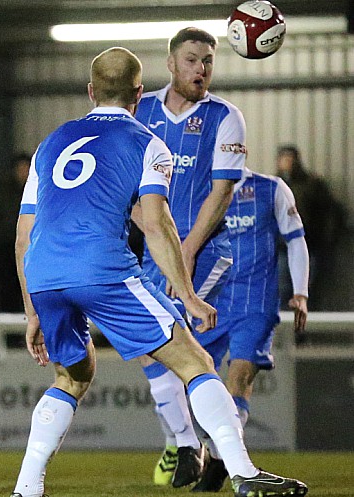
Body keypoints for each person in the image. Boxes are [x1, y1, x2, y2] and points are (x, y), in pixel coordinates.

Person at [10, 46, 307, 497]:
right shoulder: (148, 142)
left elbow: (22, 237)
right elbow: (156, 223)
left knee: (73, 375)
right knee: (196, 362)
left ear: (91, 92)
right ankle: (246, 475)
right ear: (139, 93)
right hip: (102, 269)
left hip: (44, 273)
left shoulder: (51, 142)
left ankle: (26, 487)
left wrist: (33, 310)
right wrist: (187, 295)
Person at [132, 27, 246, 487]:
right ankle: (198, 446)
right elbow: (123, 181)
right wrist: (149, 230)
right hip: (149, 249)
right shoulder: (140, 113)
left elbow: (220, 193)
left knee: (174, 346)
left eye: (208, 62)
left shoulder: (225, 116)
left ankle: (198, 448)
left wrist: (184, 252)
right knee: (152, 348)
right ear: (171, 64)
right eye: (193, 60)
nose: (202, 69)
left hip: (203, 251)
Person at [191, 167, 309, 492]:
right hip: (208, 300)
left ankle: (222, 462)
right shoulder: (198, 190)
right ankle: (216, 456)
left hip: (255, 303)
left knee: (239, 377)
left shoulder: (271, 189)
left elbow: (295, 239)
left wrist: (300, 292)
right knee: (193, 382)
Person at [275, 145, 345, 311]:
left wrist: (326, 241)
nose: (287, 162)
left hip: (309, 246)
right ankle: (285, 332)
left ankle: (303, 332)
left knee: (306, 290)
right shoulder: (272, 185)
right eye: (283, 158)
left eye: (289, 158)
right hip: (282, 247)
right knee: (282, 289)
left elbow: (332, 213)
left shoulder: (312, 184)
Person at [0, 153, 31, 313]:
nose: (22, 172)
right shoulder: (5, 192)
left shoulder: (38, 193)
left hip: (33, 251)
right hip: (7, 250)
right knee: (8, 294)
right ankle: (10, 336)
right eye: (20, 169)